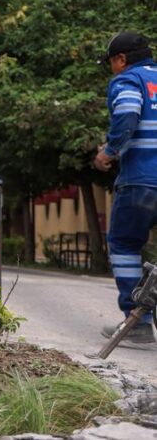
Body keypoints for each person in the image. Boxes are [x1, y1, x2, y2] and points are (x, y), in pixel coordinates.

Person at [93, 31, 157, 347]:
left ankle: (138, 323)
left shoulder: (128, 81)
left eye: (111, 63)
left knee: (124, 242)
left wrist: (110, 150)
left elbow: (129, 112)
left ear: (121, 59)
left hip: (142, 180)